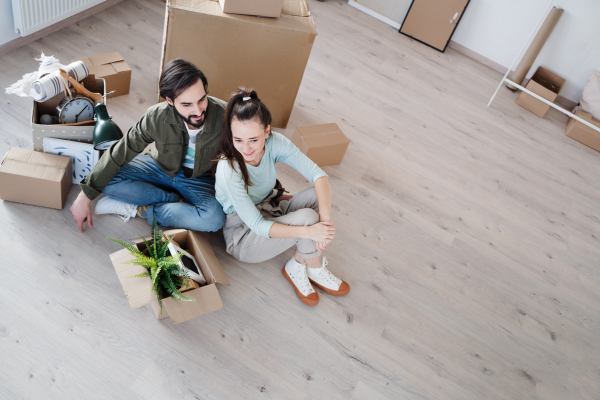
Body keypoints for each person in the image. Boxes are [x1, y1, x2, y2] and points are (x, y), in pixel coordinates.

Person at [214, 88, 350, 306]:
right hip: (243, 235)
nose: (245, 148)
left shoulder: (275, 143)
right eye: (237, 139)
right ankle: (314, 267)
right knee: (306, 218)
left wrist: (323, 226)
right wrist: (310, 231)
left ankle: (297, 264)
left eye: (253, 139)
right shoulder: (228, 169)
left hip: (270, 208)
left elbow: (319, 176)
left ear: (267, 131)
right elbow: (257, 225)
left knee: (317, 196)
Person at [70, 59, 227, 233]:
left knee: (214, 219)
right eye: (187, 104)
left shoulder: (226, 116)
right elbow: (121, 151)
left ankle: (142, 210)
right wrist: (84, 196)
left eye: (202, 99)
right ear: (170, 100)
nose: (198, 111)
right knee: (105, 179)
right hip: (158, 168)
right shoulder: (156, 116)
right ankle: (174, 201)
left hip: (199, 179)